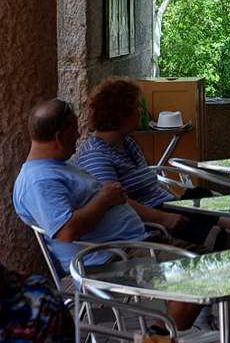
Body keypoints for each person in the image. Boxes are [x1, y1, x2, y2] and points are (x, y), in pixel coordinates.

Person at [13, 99, 203, 332]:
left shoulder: (57, 166)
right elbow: (67, 231)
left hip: (133, 246)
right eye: (75, 130)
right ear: (60, 137)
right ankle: (159, 336)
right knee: (199, 274)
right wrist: (104, 199)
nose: (79, 134)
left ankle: (191, 325)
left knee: (212, 255)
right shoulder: (39, 181)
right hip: (110, 261)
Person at [72, 78, 230, 251]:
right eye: (136, 107)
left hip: (168, 206)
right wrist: (165, 218)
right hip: (154, 222)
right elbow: (117, 203)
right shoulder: (96, 155)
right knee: (227, 238)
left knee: (205, 200)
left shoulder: (127, 142)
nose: (141, 112)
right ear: (121, 115)